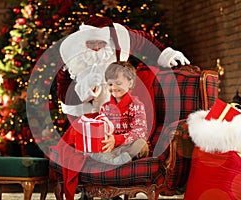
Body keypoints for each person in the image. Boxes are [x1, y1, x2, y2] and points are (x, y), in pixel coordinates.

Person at [53, 15, 190, 200]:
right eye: (90, 43)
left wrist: (167, 54)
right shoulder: (72, 57)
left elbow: (146, 42)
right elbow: (64, 93)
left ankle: (110, 187)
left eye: (99, 43)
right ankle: (89, 188)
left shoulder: (135, 104)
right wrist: (86, 90)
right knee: (79, 147)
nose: (95, 47)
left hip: (122, 141)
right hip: (88, 117)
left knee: (128, 147)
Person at [88, 61, 149, 165]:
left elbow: (141, 131)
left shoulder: (136, 105)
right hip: (111, 147)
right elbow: (101, 128)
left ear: (130, 83)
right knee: (88, 148)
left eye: (118, 83)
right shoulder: (105, 107)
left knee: (141, 145)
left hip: (129, 146)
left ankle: (115, 159)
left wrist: (116, 139)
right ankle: (116, 160)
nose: (114, 87)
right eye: (110, 84)